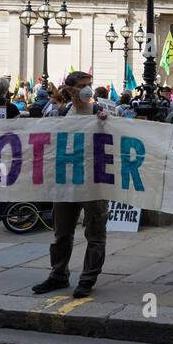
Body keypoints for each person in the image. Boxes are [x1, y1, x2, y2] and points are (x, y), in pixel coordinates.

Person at [31, 72, 112, 299]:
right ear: (70, 89)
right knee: (61, 233)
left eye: (89, 85)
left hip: (94, 182)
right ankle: (58, 275)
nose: (88, 89)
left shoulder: (100, 112)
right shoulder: (62, 112)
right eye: (82, 86)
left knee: (95, 233)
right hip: (67, 181)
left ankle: (87, 279)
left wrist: (109, 122)